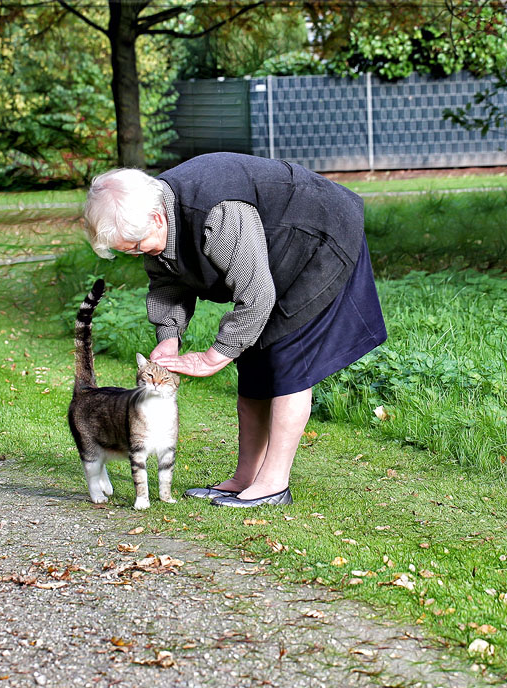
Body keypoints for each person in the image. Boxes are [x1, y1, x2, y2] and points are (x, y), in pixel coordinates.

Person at [82, 152, 387, 508]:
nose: (138, 255)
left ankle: (274, 485)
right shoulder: (153, 214)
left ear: (156, 216)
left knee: (287, 359)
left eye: (135, 247)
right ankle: (245, 477)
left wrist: (215, 356)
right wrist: (168, 338)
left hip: (318, 239)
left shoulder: (217, 215)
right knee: (253, 362)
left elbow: (257, 296)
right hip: (272, 261)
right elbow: (168, 282)